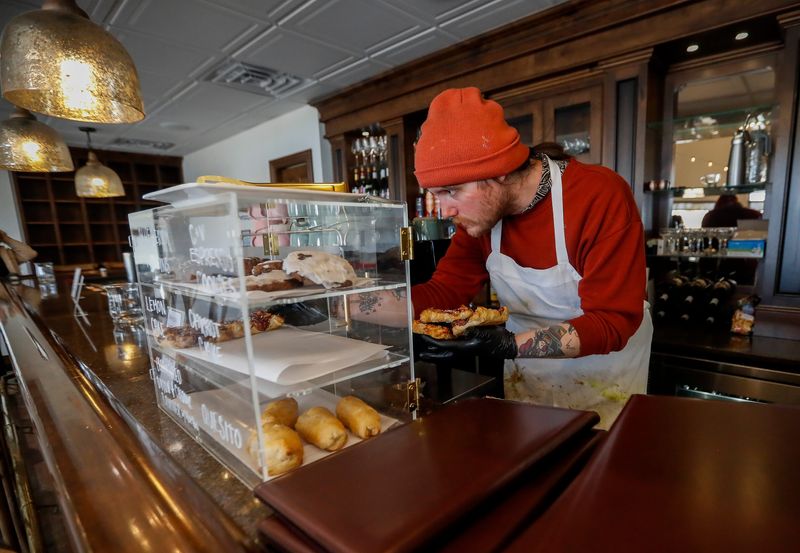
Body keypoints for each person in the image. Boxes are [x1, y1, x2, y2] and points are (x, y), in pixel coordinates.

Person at [406, 87, 652, 429]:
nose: (445, 210)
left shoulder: (599, 195)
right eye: (436, 195)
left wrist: (506, 344)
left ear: (500, 169)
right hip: (529, 376)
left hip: (604, 378)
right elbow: (443, 292)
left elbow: (612, 322)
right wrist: (342, 304)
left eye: (452, 191)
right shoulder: (480, 220)